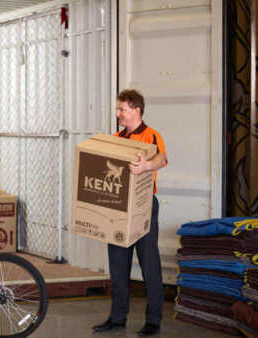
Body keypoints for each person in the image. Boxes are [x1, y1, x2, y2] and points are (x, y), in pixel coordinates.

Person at [92, 89, 167, 336]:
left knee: (149, 263)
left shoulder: (151, 135)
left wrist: (147, 164)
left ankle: (153, 320)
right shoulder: (116, 137)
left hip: (143, 207)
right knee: (118, 264)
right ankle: (117, 318)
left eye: (121, 110)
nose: (117, 114)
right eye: (118, 109)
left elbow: (161, 158)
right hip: (118, 206)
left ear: (136, 110)